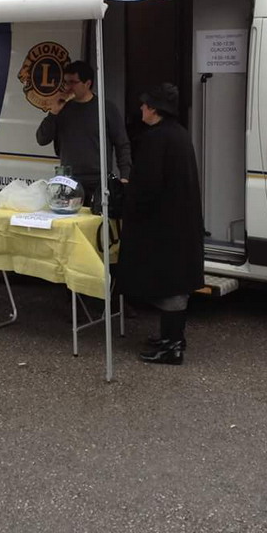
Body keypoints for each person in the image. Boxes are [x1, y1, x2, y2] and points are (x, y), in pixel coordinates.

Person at [118, 83, 204, 365]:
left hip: (165, 224)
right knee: (174, 283)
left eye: (144, 104)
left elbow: (148, 185)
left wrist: (128, 199)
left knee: (170, 286)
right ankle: (172, 337)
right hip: (179, 221)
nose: (141, 108)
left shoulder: (156, 139)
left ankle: (172, 347)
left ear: (154, 109)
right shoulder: (178, 134)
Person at [35, 60, 131, 205]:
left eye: (73, 82)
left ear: (87, 83)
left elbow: (122, 144)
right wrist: (53, 113)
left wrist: (125, 176)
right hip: (69, 181)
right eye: (66, 82)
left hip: (99, 181)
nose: (68, 87)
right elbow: (42, 139)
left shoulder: (105, 109)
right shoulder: (63, 109)